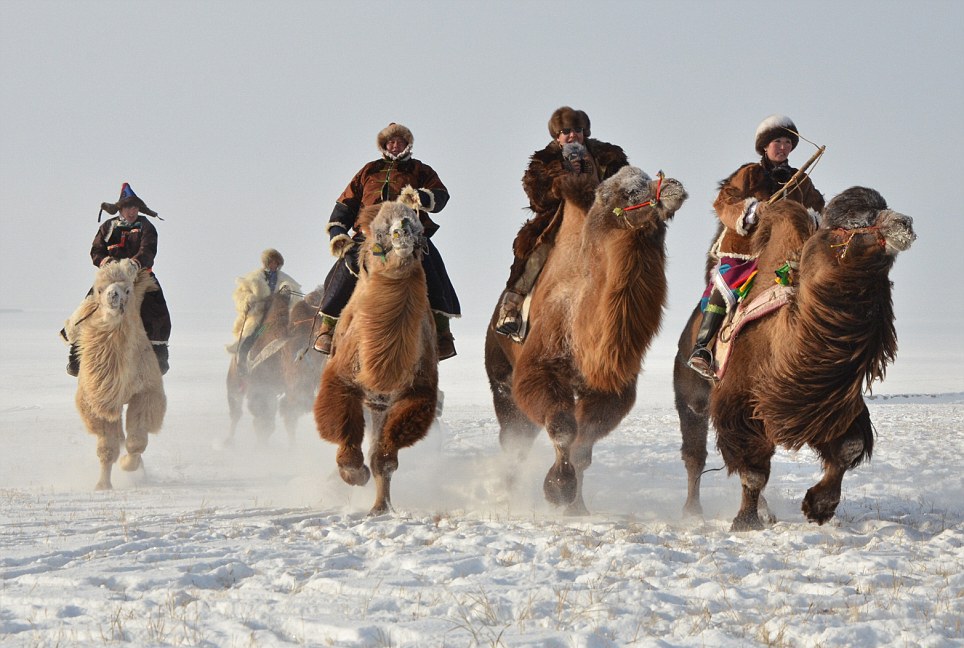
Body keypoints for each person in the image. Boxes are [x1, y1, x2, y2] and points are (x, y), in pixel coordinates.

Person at [686, 114, 825, 380]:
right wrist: (754, 209)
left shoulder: (801, 181)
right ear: (765, 146)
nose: (782, 146)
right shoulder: (750, 173)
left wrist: (808, 220)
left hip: (788, 254)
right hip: (746, 251)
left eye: (787, 142)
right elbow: (724, 202)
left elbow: (820, 211)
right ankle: (702, 348)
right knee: (726, 283)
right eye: (777, 141)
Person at [314, 122, 461, 359]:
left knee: (434, 268)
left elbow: (441, 196)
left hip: (409, 233)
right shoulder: (368, 171)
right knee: (344, 269)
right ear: (384, 145)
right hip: (368, 234)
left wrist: (420, 197)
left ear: (407, 144)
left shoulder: (420, 170)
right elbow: (345, 204)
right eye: (390, 142)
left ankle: (443, 333)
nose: (395, 145)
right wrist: (339, 234)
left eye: (399, 141)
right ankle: (328, 328)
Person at [494, 106, 629, 337]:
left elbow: (624, 185)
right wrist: (563, 183)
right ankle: (512, 307)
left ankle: (629, 311)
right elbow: (536, 198)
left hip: (603, 219)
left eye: (577, 129)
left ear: (585, 132)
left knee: (631, 253)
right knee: (534, 251)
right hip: (559, 218)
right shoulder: (543, 160)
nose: (572, 135)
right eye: (566, 130)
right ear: (557, 135)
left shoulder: (609, 156)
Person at [66, 182, 171, 376]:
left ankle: (159, 352)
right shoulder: (108, 226)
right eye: (128, 207)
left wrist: (134, 264)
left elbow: (148, 250)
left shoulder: (147, 226)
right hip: (111, 277)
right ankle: (76, 352)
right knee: (86, 307)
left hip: (140, 275)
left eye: (135, 207)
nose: (132, 211)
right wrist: (106, 262)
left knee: (157, 308)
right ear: (121, 209)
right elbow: (96, 250)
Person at [227, 248, 301, 356]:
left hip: (280, 314)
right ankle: (243, 361)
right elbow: (241, 294)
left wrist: (287, 292)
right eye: (272, 262)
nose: (274, 265)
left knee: (295, 333)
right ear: (266, 263)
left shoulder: (285, 279)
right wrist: (248, 300)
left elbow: (295, 295)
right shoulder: (254, 279)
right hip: (262, 314)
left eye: (276, 262)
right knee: (255, 333)